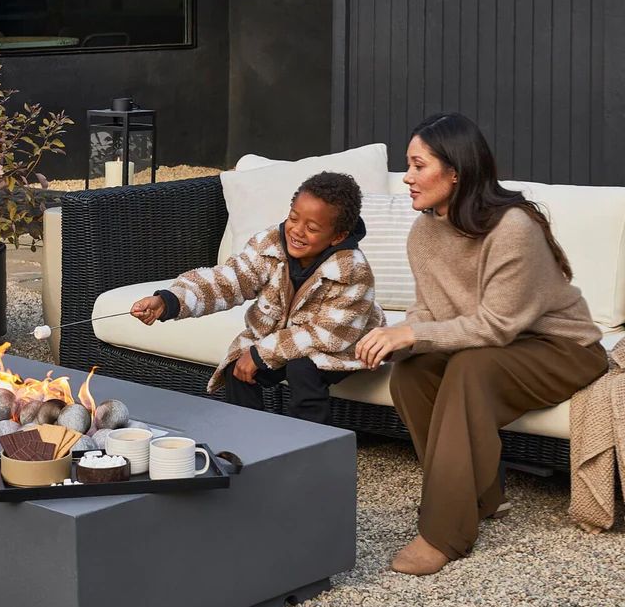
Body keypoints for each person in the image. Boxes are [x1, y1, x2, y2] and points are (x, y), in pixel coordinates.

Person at [355, 113, 608, 575]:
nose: (407, 179)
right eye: (406, 167)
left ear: (456, 171)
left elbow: (498, 325)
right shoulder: (425, 230)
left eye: (417, 166)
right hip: (493, 345)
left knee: (471, 369)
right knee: (412, 373)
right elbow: (431, 311)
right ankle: (482, 495)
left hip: (561, 348)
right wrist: (400, 341)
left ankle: (444, 532)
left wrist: (413, 332)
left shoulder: (513, 228)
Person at [131, 171, 385, 424]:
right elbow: (228, 280)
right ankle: (247, 438)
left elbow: (327, 336)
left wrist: (260, 353)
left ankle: (309, 445)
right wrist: (169, 301)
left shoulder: (352, 272)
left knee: (302, 369)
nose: (296, 231)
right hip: (281, 340)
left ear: (338, 236)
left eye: (312, 228)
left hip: (343, 346)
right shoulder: (270, 245)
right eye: (293, 218)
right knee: (236, 367)